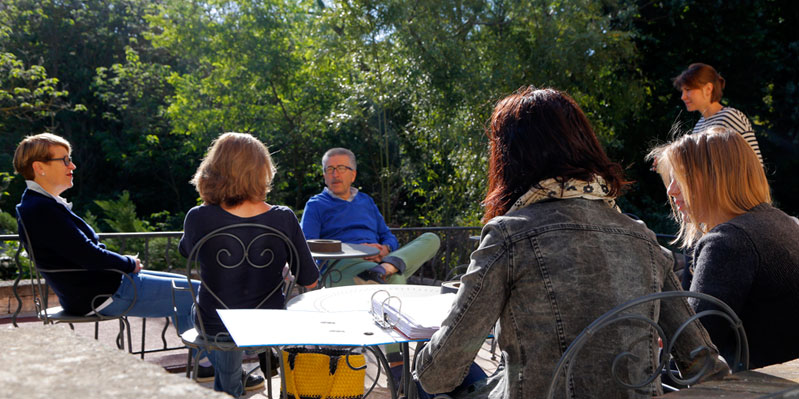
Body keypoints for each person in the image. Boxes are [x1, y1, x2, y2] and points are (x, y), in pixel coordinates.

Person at [414, 87, 728, 398]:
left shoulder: (508, 236)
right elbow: (704, 364)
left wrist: (419, 356)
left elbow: (439, 375)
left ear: (509, 158)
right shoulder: (641, 238)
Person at [13, 133, 198, 333]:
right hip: (102, 295)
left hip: (100, 290)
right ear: (39, 167)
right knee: (205, 295)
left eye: (71, 160)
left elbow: (81, 253)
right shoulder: (41, 209)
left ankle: (204, 361)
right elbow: (88, 256)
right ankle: (217, 363)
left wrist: (126, 263)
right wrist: (128, 263)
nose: (72, 166)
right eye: (64, 160)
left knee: (191, 291)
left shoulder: (37, 205)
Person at [179, 132, 319, 397]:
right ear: (262, 171)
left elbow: (187, 253)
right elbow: (309, 279)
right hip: (268, 325)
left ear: (213, 169)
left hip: (216, 327)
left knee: (215, 315)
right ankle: (260, 374)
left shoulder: (199, 217)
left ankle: (229, 388)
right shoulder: (284, 217)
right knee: (237, 319)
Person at [652, 128, 799, 369]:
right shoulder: (782, 222)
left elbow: (693, 350)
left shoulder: (728, 242)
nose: (671, 191)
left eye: (680, 178)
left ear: (714, 177)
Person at [300, 147, 440, 286]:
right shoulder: (316, 205)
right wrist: (356, 250)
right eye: (330, 169)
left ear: (353, 175)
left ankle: (385, 268)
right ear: (324, 176)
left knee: (431, 239)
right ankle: (386, 269)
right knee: (394, 278)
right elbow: (307, 246)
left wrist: (385, 249)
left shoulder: (366, 201)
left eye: (341, 168)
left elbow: (388, 236)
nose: (335, 174)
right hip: (339, 268)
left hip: (378, 261)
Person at [673, 62, 763, 164]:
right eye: (682, 91)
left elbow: (756, 166)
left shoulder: (730, 117)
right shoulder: (699, 125)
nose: (683, 96)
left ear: (708, 89)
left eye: (688, 90)